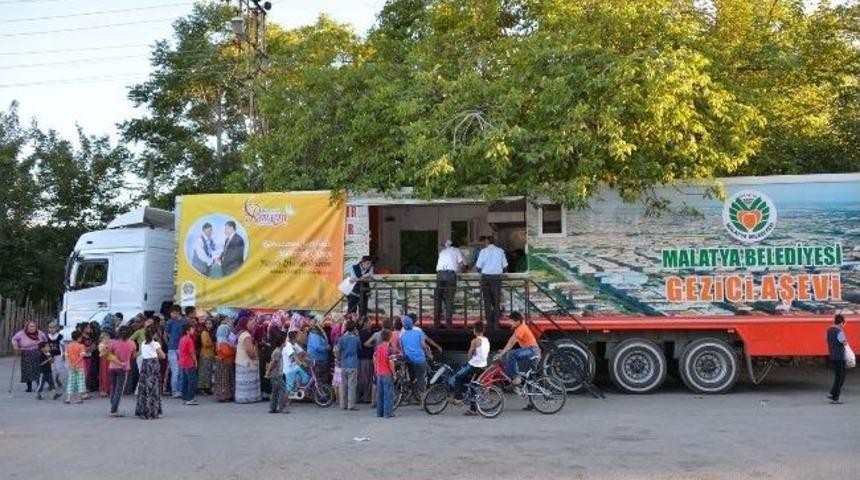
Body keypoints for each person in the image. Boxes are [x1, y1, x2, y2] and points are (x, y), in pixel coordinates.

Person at [452, 321, 489, 414]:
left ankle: (458, 398)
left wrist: (471, 358)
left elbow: (469, 354)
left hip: (474, 366)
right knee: (473, 385)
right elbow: (483, 352)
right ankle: (473, 409)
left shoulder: (475, 341)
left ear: (475, 330)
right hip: (483, 366)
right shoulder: (486, 340)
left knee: (458, 377)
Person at [475, 235, 508, 328]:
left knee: (487, 301)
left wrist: (483, 271)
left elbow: (478, 267)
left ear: (487, 242)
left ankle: (489, 323)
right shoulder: (500, 251)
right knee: (496, 301)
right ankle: (496, 323)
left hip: (485, 278)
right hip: (496, 278)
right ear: (494, 242)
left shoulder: (483, 251)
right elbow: (505, 266)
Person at [499, 311, 540, 385]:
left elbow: (511, 343)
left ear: (517, 321)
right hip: (533, 351)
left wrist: (502, 353)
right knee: (529, 381)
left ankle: (515, 378)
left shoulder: (521, 328)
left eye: (511, 321)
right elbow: (510, 341)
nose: (509, 323)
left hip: (532, 350)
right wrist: (503, 351)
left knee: (512, 354)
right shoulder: (520, 326)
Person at [399, 316, 433, 402]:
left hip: (409, 360)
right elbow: (423, 345)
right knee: (421, 379)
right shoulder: (418, 332)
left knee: (412, 376)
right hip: (419, 359)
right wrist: (429, 354)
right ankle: (423, 401)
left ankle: (411, 392)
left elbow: (402, 348)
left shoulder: (402, 335)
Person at [135, 326, 165, 419]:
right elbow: (162, 356)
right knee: (153, 387)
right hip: (153, 364)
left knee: (144, 387)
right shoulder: (155, 344)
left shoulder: (143, 343)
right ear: (154, 334)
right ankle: (152, 411)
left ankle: (143, 410)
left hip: (145, 364)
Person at [434, 240, 465, 328]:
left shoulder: (442, 252)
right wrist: (463, 270)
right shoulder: (456, 250)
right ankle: (448, 324)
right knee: (449, 300)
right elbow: (461, 264)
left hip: (439, 275)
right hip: (450, 275)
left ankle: (436, 323)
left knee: (438, 300)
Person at [11, 321, 47, 392]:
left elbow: (45, 339)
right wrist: (15, 345)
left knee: (38, 369)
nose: (32, 328)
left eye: (34, 326)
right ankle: (29, 387)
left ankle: (39, 385)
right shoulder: (21, 333)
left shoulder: (40, 333)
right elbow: (14, 339)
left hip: (37, 352)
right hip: (26, 353)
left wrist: (44, 347)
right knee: (27, 370)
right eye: (30, 326)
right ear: (27, 327)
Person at [107, 326, 136, 416]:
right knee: (119, 389)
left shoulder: (113, 342)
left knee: (114, 386)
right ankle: (114, 409)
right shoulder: (132, 344)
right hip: (124, 367)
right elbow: (133, 355)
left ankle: (113, 405)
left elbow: (109, 353)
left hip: (113, 366)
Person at [234, 317, 262, 403]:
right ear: (245, 324)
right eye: (250, 322)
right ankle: (248, 398)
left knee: (244, 381)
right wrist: (255, 357)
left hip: (241, 361)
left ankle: (243, 397)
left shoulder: (241, 334)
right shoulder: (246, 335)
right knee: (248, 380)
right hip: (246, 362)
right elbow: (250, 350)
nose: (252, 324)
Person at [335, 320, 360, 411]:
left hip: (344, 363)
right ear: (354, 328)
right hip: (353, 363)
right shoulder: (356, 338)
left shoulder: (342, 338)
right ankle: (351, 405)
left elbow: (337, 349)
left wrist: (338, 359)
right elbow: (359, 347)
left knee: (343, 385)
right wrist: (357, 334)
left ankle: (343, 404)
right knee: (352, 385)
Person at [164, 305, 187, 398]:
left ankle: (180, 390)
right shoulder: (170, 322)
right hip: (172, 349)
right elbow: (165, 334)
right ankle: (174, 391)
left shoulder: (185, 321)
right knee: (175, 371)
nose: (171, 314)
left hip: (181, 349)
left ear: (178, 312)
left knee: (181, 371)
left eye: (173, 313)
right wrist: (169, 344)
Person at [827, 314, 849, 404]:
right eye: (844, 323)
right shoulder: (839, 331)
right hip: (840, 357)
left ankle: (832, 393)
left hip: (833, 355)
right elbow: (844, 342)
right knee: (841, 377)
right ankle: (835, 397)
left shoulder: (829, 330)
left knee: (837, 376)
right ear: (841, 323)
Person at [374, 329, 396, 418]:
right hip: (387, 373)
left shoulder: (378, 347)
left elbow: (374, 359)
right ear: (390, 338)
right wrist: (394, 373)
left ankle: (379, 413)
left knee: (380, 394)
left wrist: (376, 369)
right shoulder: (390, 349)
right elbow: (391, 363)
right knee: (388, 394)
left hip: (379, 373)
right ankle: (387, 413)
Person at [265, 331, 289, 414]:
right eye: (285, 341)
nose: (286, 343)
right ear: (282, 343)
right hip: (277, 375)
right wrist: (268, 371)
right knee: (283, 391)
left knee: (275, 391)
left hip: (275, 375)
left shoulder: (277, 351)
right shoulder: (278, 352)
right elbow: (273, 363)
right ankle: (282, 407)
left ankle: (273, 408)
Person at [213, 316, 236, 402]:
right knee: (225, 380)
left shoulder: (220, 340)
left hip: (223, 362)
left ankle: (223, 395)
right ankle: (224, 396)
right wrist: (234, 350)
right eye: (227, 330)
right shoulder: (223, 341)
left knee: (223, 380)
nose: (228, 331)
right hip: (225, 362)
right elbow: (226, 352)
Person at [177, 324, 198, 405]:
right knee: (191, 381)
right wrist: (195, 361)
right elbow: (191, 352)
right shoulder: (189, 340)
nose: (193, 330)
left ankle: (185, 398)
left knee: (185, 380)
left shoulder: (182, 339)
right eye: (192, 329)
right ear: (187, 331)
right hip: (189, 362)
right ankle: (190, 398)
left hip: (182, 361)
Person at [307, 320, 331, 385]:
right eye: (322, 322)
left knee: (320, 378)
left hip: (320, 358)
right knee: (319, 379)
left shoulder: (319, 332)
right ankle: (320, 390)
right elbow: (317, 347)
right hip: (317, 359)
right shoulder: (314, 333)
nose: (323, 323)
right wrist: (326, 347)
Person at [65, 331, 86, 404]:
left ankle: (68, 398)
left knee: (71, 381)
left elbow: (66, 356)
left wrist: (70, 364)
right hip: (79, 366)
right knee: (80, 382)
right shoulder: (81, 346)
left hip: (71, 367)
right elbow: (81, 356)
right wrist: (75, 363)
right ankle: (79, 398)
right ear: (79, 338)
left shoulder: (68, 346)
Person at [197, 316, 215, 395]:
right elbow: (205, 344)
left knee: (208, 372)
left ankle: (207, 388)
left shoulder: (210, 332)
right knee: (204, 372)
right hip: (205, 355)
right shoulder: (204, 332)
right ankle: (202, 389)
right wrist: (213, 343)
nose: (209, 325)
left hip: (210, 354)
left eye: (210, 323)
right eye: (207, 324)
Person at [46, 322, 65, 389]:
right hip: (50, 355)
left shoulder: (60, 336)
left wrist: (64, 354)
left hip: (58, 355)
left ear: (56, 328)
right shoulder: (47, 337)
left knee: (58, 369)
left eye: (53, 327)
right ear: (48, 328)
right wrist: (48, 355)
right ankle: (51, 383)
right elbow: (46, 347)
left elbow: (62, 346)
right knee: (51, 369)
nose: (52, 329)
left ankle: (57, 378)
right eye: (50, 327)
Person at [97, 332, 113, 397]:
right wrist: (108, 348)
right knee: (104, 374)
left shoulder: (110, 344)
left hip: (110, 360)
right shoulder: (101, 345)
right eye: (105, 339)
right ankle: (103, 390)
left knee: (110, 374)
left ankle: (109, 389)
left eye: (108, 338)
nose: (107, 340)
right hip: (104, 360)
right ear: (101, 339)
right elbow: (102, 352)